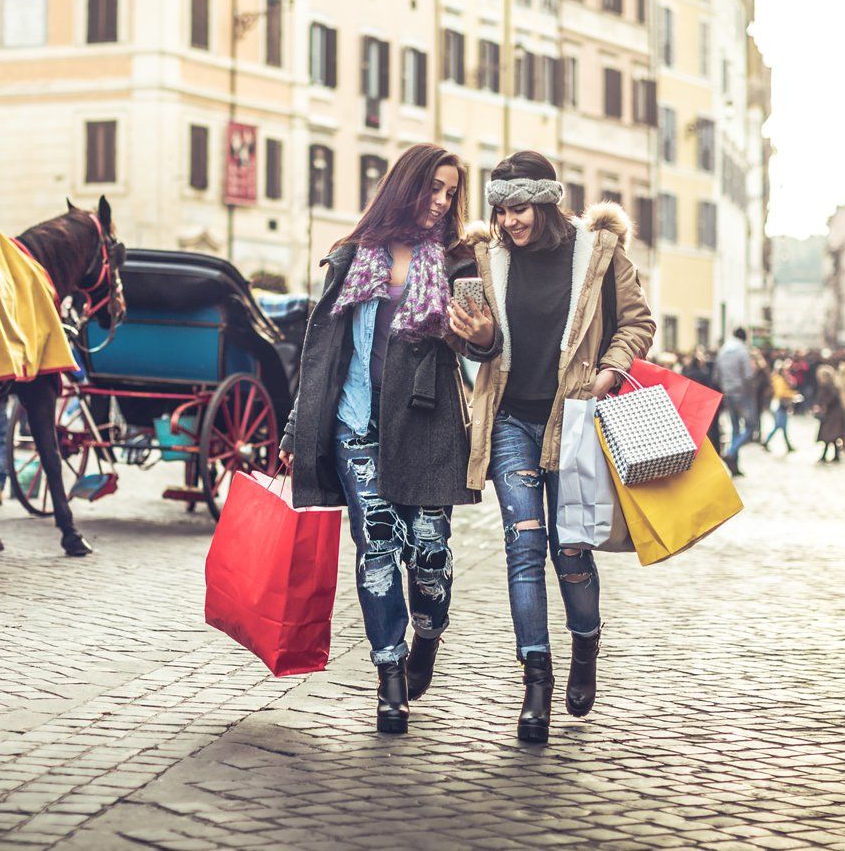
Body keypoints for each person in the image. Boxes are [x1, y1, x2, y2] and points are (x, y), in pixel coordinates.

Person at [279, 142, 480, 735]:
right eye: (433, 189)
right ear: (406, 185)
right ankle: (388, 675)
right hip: (355, 423)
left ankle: (429, 633)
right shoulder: (351, 257)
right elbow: (321, 353)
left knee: (429, 553)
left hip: (428, 424)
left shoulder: (457, 261)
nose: (441, 203)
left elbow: (485, 346)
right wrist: (298, 427)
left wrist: (480, 334)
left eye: (450, 193)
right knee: (377, 551)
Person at [457, 150, 655, 743]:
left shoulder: (598, 252)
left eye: (519, 208)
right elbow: (472, 343)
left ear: (545, 202)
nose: (509, 222)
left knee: (571, 551)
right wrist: (482, 337)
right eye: (500, 211)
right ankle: (535, 683)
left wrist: (612, 370)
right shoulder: (486, 258)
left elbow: (638, 323)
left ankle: (585, 646)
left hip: (574, 422)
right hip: (511, 422)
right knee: (524, 548)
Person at [716, 329, 755, 476]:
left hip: (727, 392)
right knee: (751, 427)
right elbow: (748, 375)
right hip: (741, 393)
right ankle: (731, 452)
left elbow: (717, 376)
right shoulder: (742, 351)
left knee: (735, 428)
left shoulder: (723, 350)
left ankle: (735, 467)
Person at [684, 348, 723, 454]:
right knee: (710, 431)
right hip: (704, 406)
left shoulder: (687, 372)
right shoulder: (704, 374)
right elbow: (710, 389)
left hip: (691, 407)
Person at [813, 366, 845, 462]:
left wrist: (823, 405)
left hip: (833, 415)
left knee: (830, 435)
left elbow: (831, 399)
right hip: (830, 415)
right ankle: (834, 454)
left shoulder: (832, 387)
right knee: (831, 436)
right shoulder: (825, 387)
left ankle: (830, 455)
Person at [762, 359, 798, 452]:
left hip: (783, 405)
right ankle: (766, 441)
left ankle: (788, 445)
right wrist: (792, 395)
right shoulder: (778, 379)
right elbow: (780, 393)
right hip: (778, 404)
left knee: (783, 426)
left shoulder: (782, 379)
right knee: (779, 425)